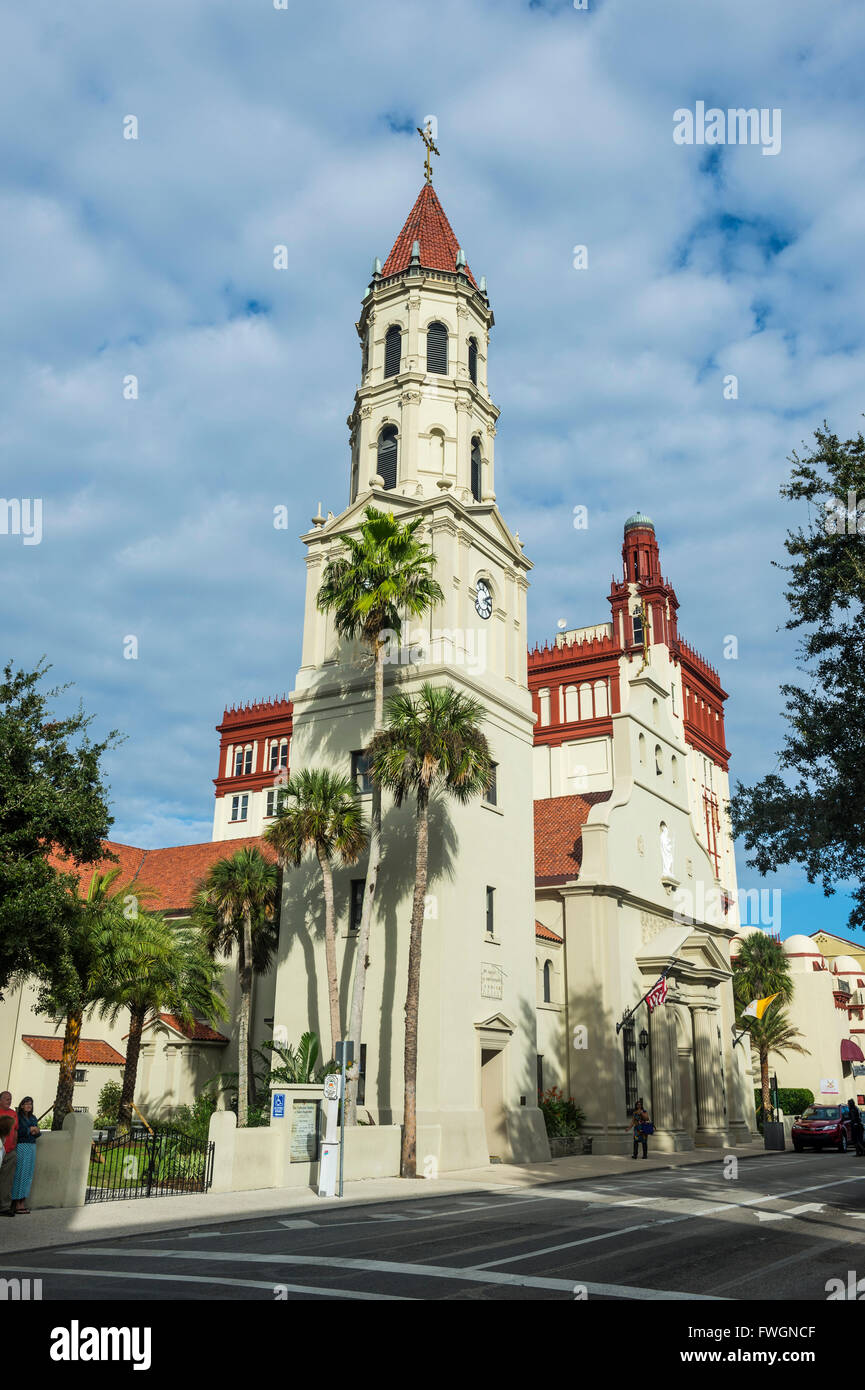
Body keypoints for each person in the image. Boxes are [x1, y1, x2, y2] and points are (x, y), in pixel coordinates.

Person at [12, 1097, 40, 1212]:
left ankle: (22, 1203)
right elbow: (18, 1132)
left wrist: (36, 1131)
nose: (29, 1106)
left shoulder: (33, 1118)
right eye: (26, 1104)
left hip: (32, 1147)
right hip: (22, 1147)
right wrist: (30, 1130)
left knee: (28, 1174)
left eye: (31, 1104)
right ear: (22, 1105)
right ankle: (16, 1204)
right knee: (20, 1174)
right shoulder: (18, 1117)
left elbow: (38, 1133)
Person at [0, 1091, 18, 1215]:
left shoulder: (13, 1114)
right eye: (6, 1098)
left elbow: (15, 1131)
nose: (9, 1100)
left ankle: (4, 1207)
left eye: (10, 1098)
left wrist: (13, 1146)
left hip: (10, 1152)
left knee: (7, 1180)